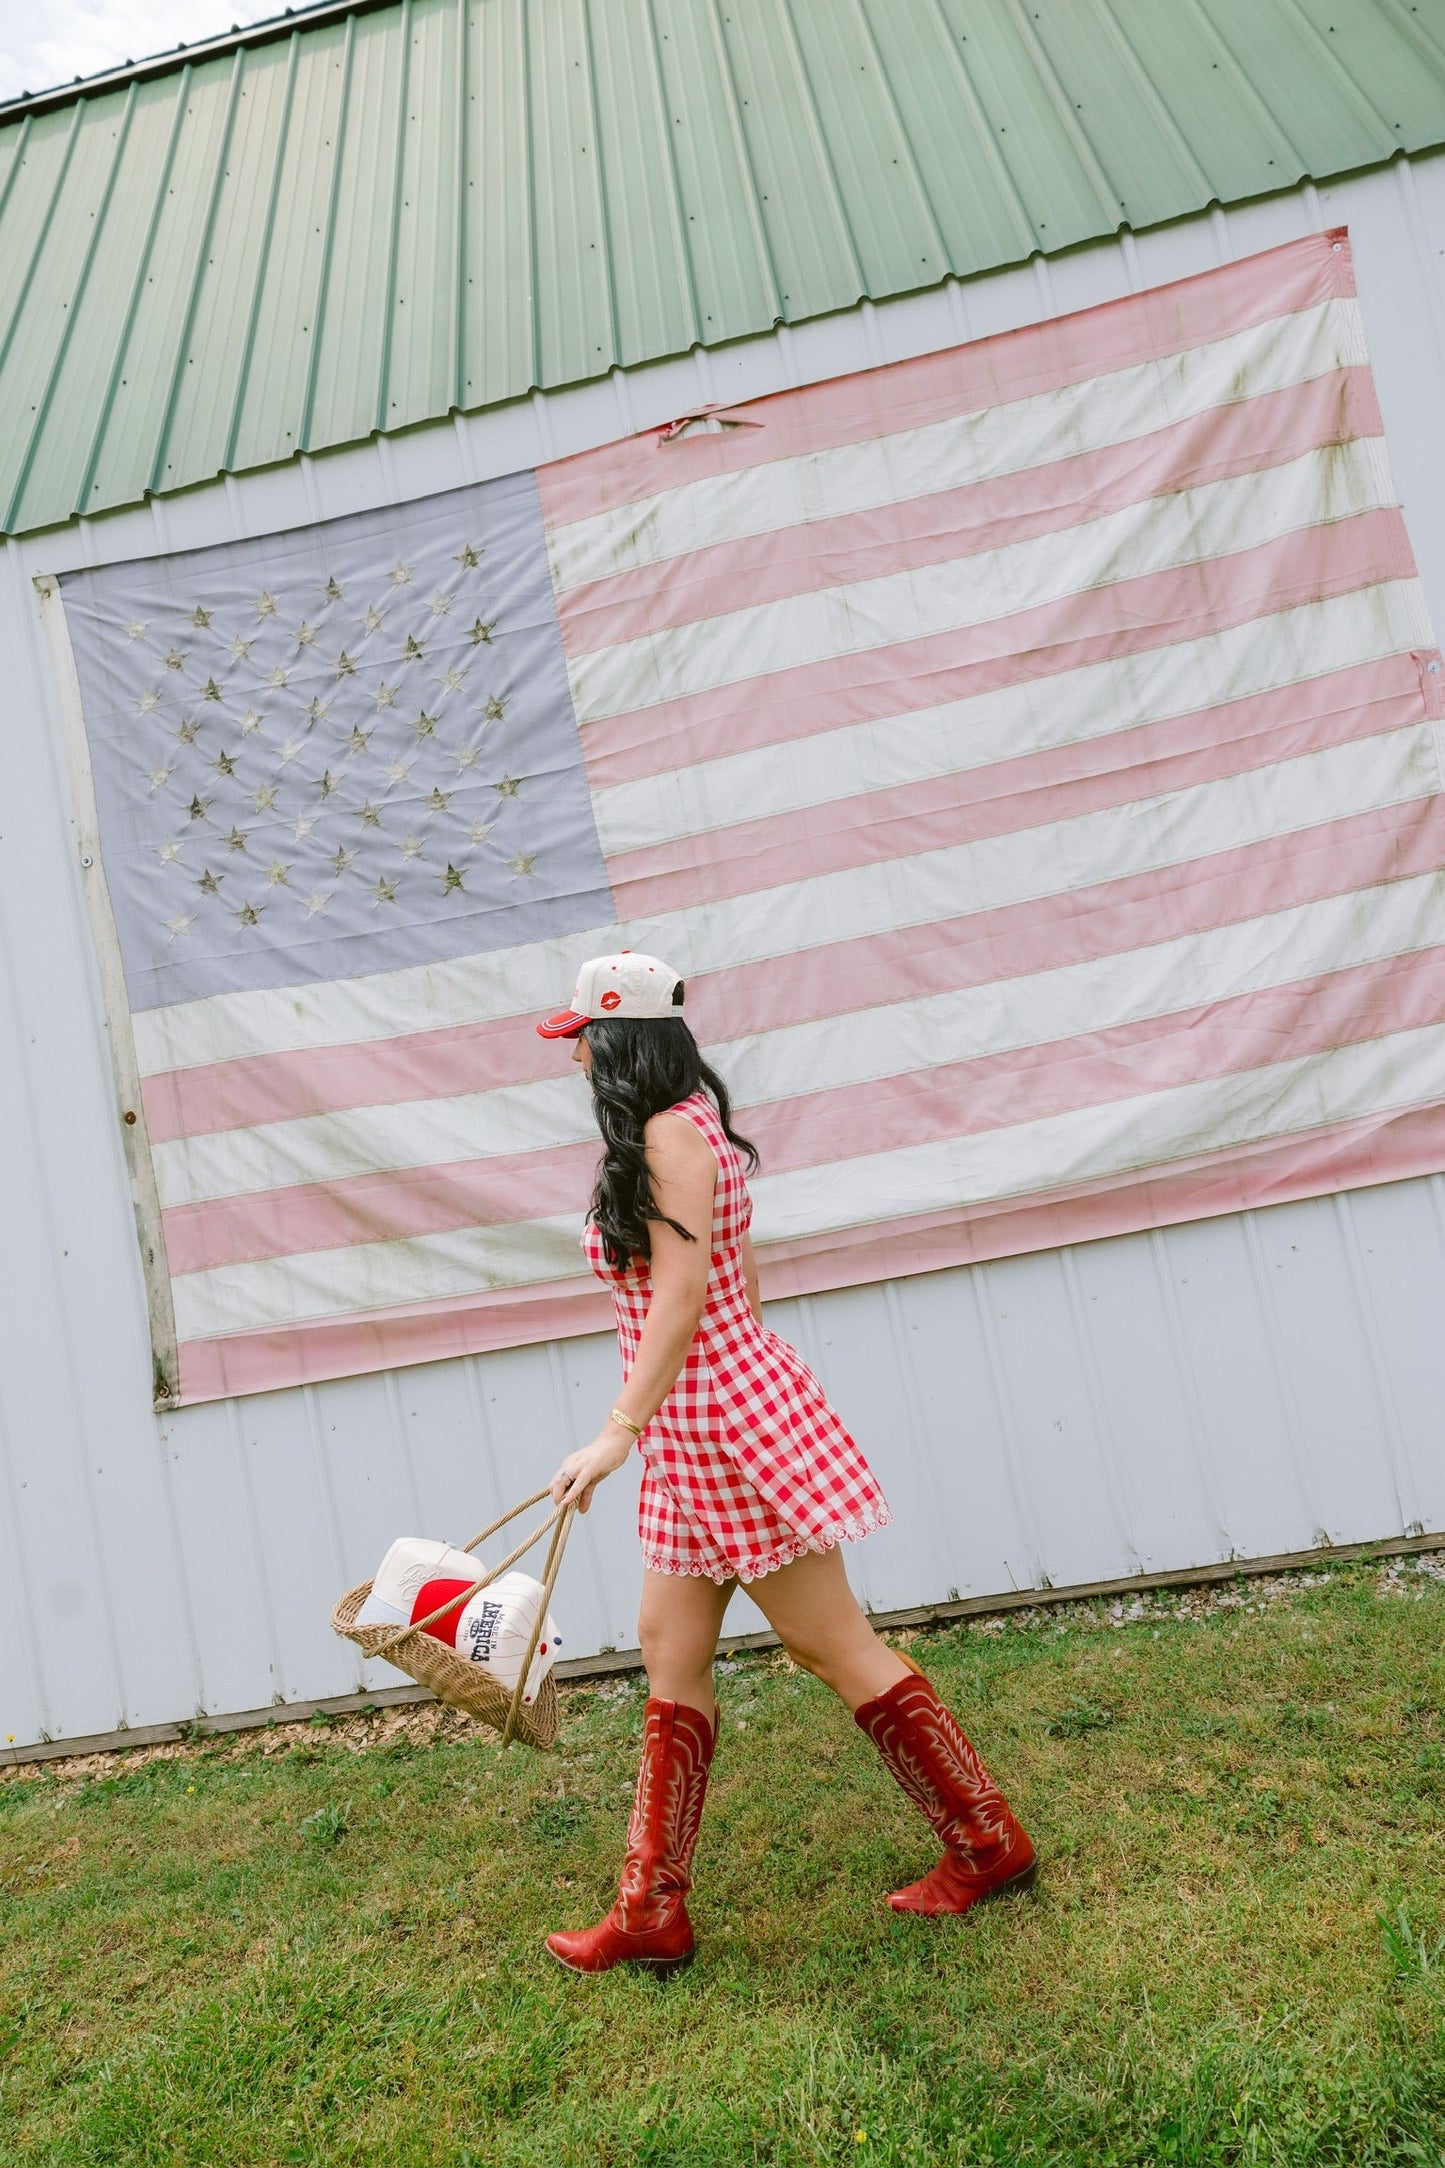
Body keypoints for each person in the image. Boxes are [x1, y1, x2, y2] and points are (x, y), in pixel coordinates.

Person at [538, 951, 1036, 1976]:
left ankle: (986, 1840)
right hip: (695, 1416)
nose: (576, 1054)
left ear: (618, 1038)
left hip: (710, 1415)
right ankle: (648, 1909)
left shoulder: (674, 1132)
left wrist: (620, 1430)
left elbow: (681, 1296)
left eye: (584, 1035)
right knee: (666, 1649)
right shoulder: (678, 1128)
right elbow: (739, 1275)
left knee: (828, 1643)